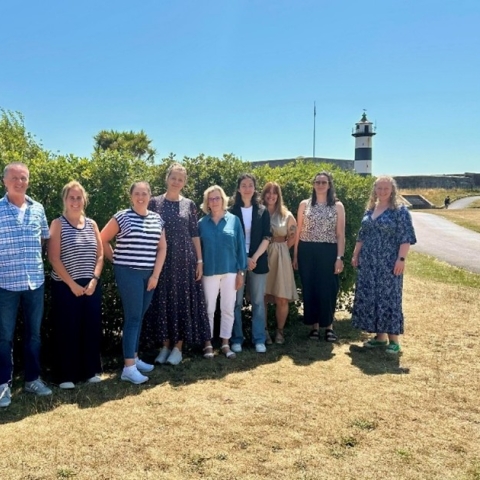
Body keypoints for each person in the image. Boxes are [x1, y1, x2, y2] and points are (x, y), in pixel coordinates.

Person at [142, 163, 211, 365]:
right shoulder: (154, 203)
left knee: (182, 301)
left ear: (184, 182)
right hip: (161, 260)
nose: (176, 182)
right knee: (162, 301)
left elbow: (194, 234)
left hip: (184, 259)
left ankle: (178, 347)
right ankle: (164, 346)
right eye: (174, 178)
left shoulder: (188, 204)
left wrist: (199, 261)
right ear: (167, 178)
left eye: (181, 179)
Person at [101, 182, 167, 384]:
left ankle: (134, 358)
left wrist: (155, 275)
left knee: (139, 317)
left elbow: (162, 248)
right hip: (128, 274)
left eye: (144, 193)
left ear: (150, 196)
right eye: (137, 193)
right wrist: (117, 261)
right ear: (131, 196)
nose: (141, 197)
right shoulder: (122, 216)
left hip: (149, 276)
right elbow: (102, 239)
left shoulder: (157, 219)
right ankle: (128, 368)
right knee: (132, 318)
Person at [0, 162, 52, 409]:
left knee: (34, 335)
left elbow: (44, 239)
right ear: (5, 181)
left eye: (23, 178)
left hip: (35, 282)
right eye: (14, 178)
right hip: (5, 284)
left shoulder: (38, 209)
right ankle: (3, 385)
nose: (19, 182)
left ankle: (32, 379)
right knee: (3, 337)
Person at [351, 175, 417, 354]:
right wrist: (356, 254)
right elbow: (362, 235)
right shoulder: (370, 210)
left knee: (389, 298)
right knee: (372, 296)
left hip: (389, 263)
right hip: (369, 262)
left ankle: (393, 340)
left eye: (385, 188)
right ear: (375, 190)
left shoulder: (400, 211)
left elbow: (406, 238)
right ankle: (380, 338)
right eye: (379, 188)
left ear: (392, 190)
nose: (382, 192)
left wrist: (401, 259)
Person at [48, 181, 104, 389]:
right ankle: (66, 376)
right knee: (67, 329)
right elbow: (54, 258)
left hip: (90, 285)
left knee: (90, 328)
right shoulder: (58, 224)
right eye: (71, 197)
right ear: (65, 200)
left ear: (84, 200)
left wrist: (94, 281)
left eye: (79, 197)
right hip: (65, 285)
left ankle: (90, 371)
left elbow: (99, 256)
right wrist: (71, 284)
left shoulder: (92, 224)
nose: (75, 201)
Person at [293, 171, 345, 342]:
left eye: (324, 182)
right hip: (306, 251)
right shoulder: (304, 205)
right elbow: (298, 232)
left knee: (328, 289)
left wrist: (339, 257)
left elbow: (340, 234)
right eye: (318, 182)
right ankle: (314, 327)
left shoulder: (337, 206)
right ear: (313, 184)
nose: (320, 185)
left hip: (328, 251)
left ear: (329, 185)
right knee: (310, 288)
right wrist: (295, 256)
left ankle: (328, 327)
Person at [198, 186, 247, 359]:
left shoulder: (234, 220)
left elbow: (241, 247)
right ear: (207, 203)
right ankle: (208, 343)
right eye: (211, 199)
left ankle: (225, 344)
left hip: (231, 271)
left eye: (217, 198)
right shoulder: (201, 224)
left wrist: (241, 271)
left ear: (223, 200)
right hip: (209, 271)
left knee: (228, 308)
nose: (214, 201)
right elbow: (198, 250)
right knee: (209, 309)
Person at [229, 173, 272, 353]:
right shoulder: (231, 212)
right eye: (244, 185)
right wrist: (244, 259)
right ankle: (236, 339)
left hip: (258, 261)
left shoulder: (263, 211)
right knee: (236, 302)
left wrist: (253, 258)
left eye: (250, 185)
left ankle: (259, 339)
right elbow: (230, 240)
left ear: (255, 188)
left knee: (258, 301)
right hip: (237, 262)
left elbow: (267, 237)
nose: (247, 188)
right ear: (239, 189)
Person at [261, 182, 298, 345]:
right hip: (261, 256)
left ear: (279, 195)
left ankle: (280, 331)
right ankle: (264, 331)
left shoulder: (286, 215)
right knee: (261, 296)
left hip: (281, 257)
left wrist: (281, 248)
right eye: (268, 192)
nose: (271, 195)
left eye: (274, 192)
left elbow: (293, 236)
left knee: (281, 297)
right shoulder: (258, 212)